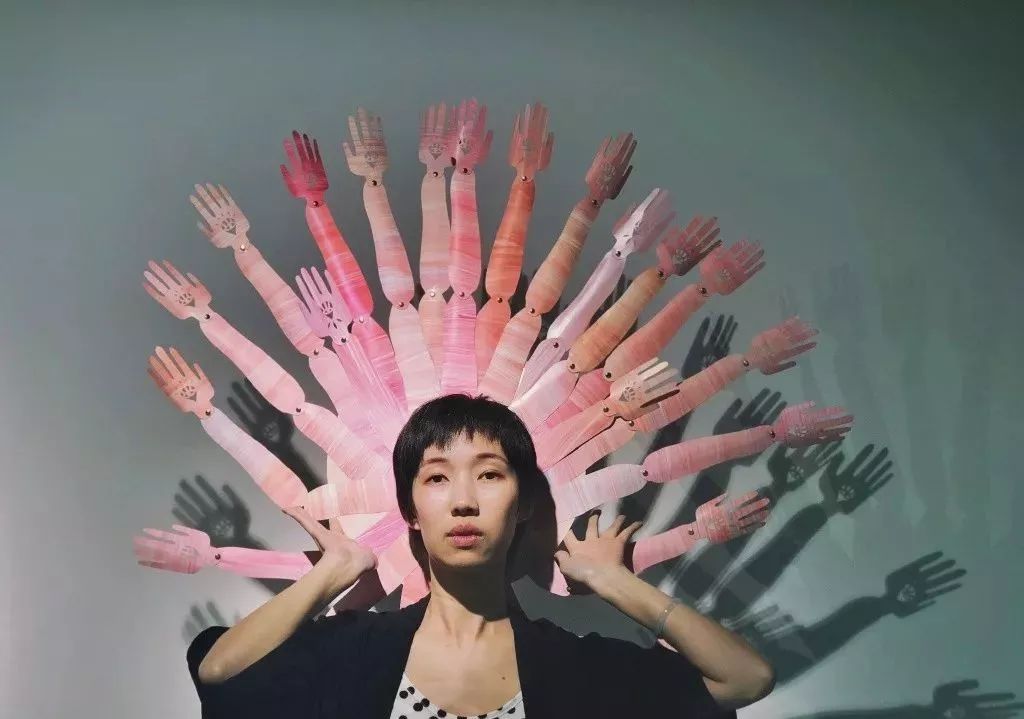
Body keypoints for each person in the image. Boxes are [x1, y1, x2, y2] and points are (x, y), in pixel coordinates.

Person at [187, 393, 775, 718]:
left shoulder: (573, 667)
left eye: (490, 474)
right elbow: (219, 675)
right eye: (437, 478)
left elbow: (744, 679)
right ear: (411, 509)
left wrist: (612, 580)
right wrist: (333, 573)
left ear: (522, 505)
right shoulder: (357, 649)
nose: (464, 501)